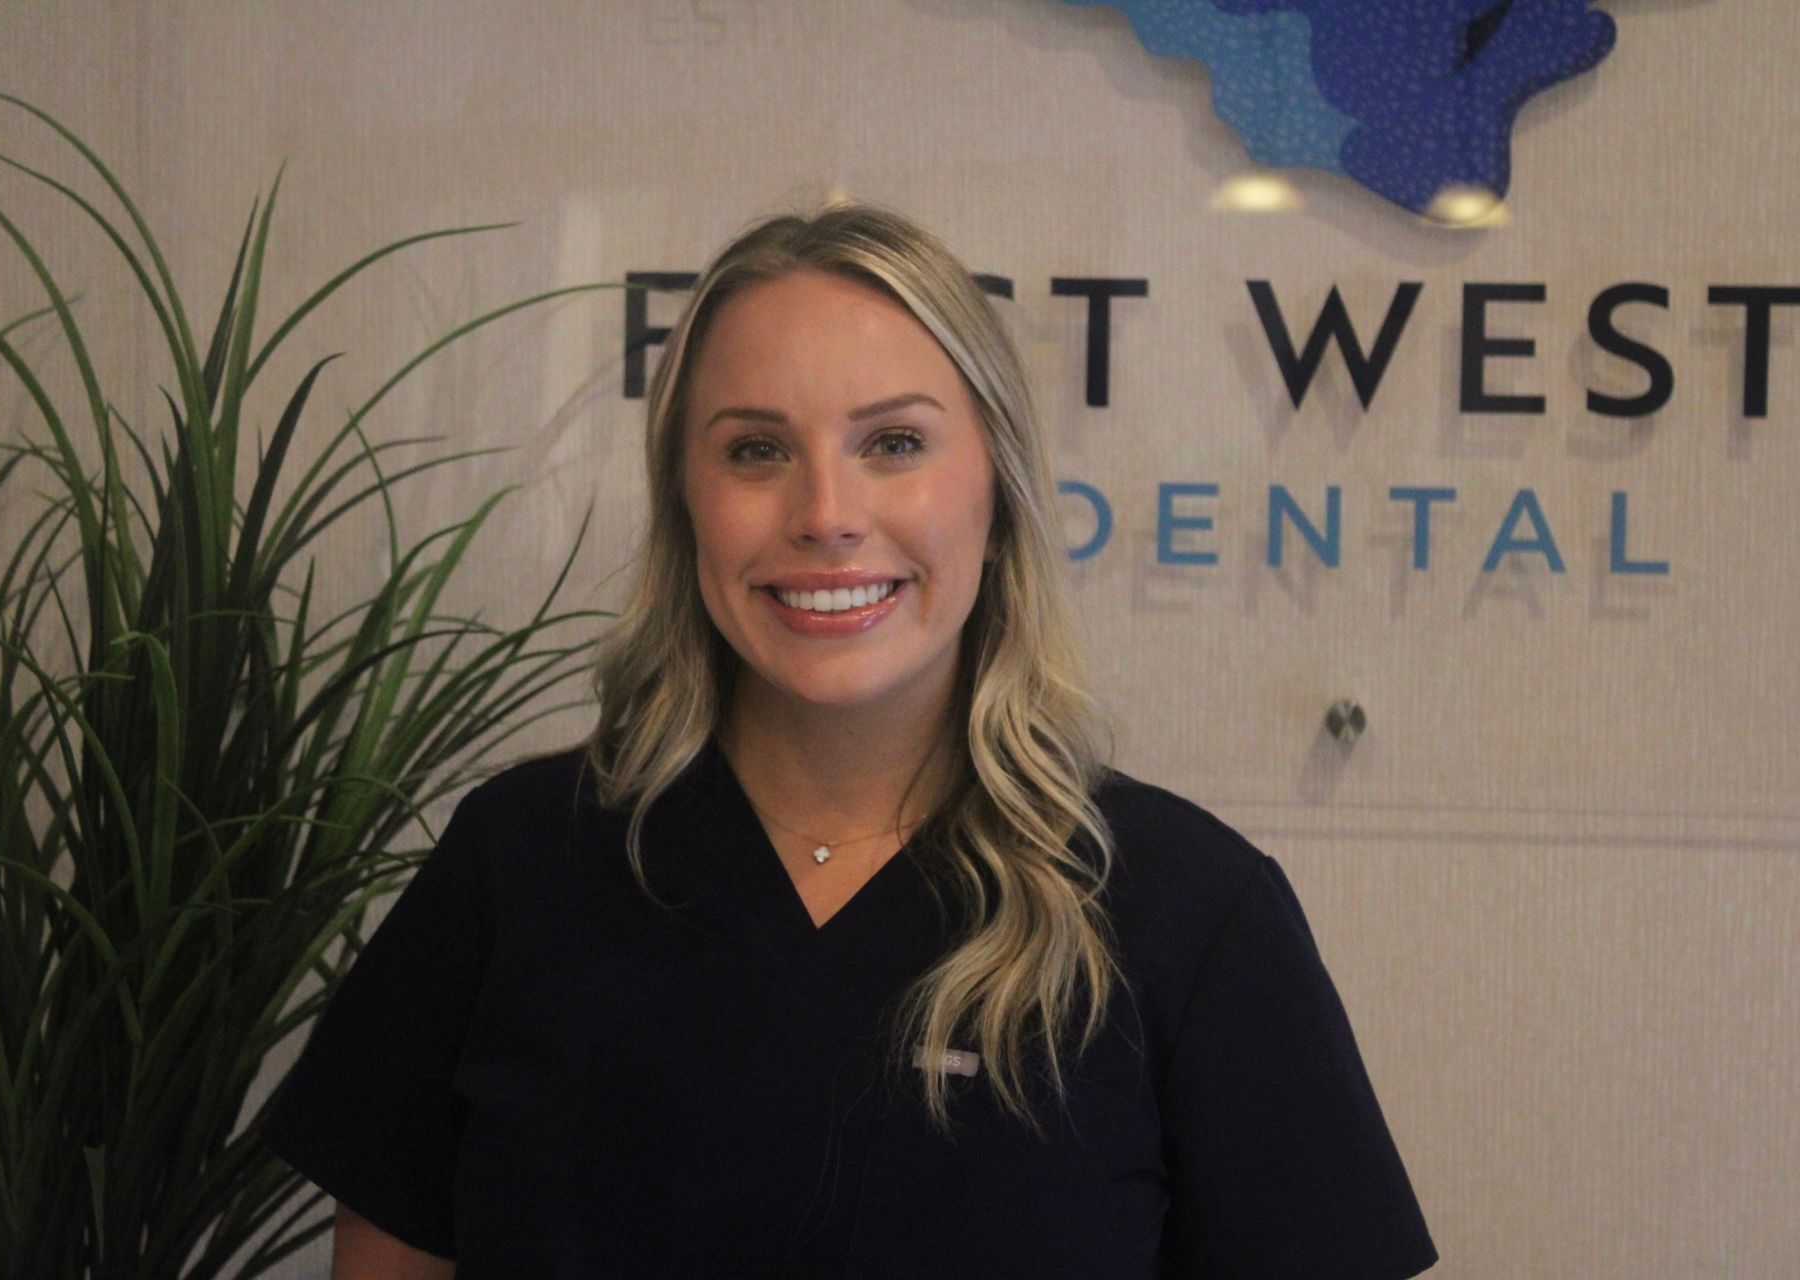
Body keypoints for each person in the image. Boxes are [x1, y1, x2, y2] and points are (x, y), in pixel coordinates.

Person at [262, 201, 1439, 1279]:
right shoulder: (518, 861)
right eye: (757, 449)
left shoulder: (1189, 912)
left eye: (894, 443)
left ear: (996, 489)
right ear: (684, 498)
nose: (825, 514)